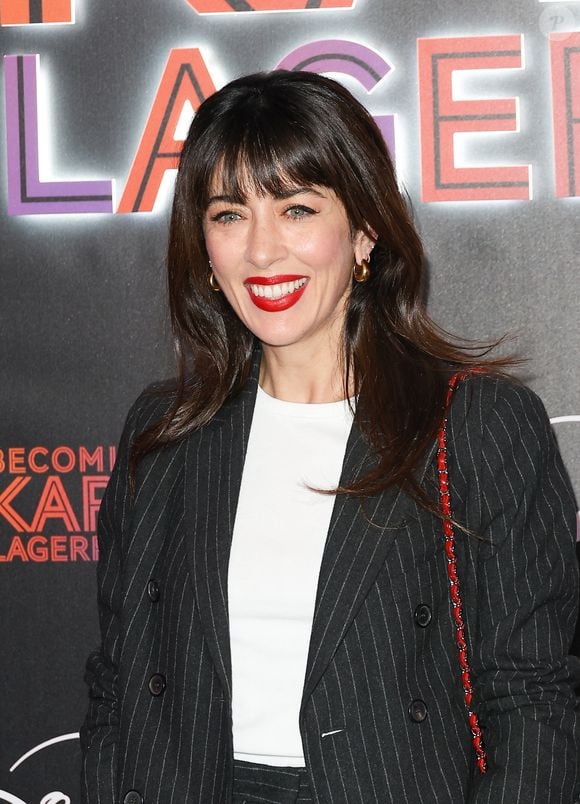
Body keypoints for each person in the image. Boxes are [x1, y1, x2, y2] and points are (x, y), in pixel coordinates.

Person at [80, 70, 580, 804]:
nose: (261, 252)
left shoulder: (476, 424)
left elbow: (533, 701)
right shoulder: (165, 432)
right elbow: (118, 684)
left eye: (297, 208)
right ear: (204, 251)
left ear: (365, 233)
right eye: (228, 214)